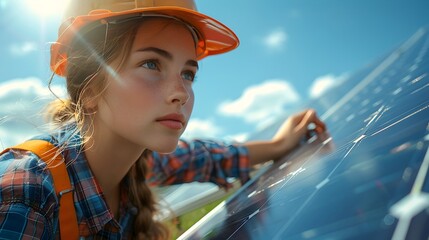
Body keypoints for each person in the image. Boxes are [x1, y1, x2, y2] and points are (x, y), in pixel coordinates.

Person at [0, 0, 326, 239]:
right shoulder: (26, 193)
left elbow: (208, 157)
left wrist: (278, 145)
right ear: (89, 88)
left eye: (188, 73)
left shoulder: (140, 162)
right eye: (152, 64)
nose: (181, 93)